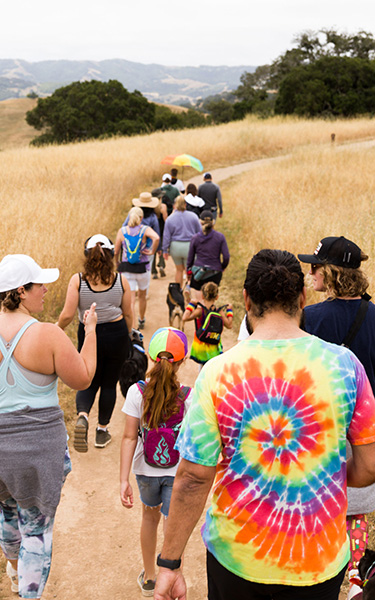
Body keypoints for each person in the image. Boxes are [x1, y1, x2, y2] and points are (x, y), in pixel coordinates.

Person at [154, 249, 375, 600]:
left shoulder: (218, 373)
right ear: (302, 298)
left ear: (245, 299)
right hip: (319, 561)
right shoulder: (346, 366)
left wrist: (170, 562)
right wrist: (319, 472)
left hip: (238, 560)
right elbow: (367, 467)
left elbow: (194, 478)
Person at [0, 254, 97, 599]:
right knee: (36, 529)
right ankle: (28, 590)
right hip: (38, 449)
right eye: (40, 284)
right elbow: (83, 379)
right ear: (22, 292)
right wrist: (91, 332)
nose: (45, 290)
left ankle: (12, 567)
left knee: (6, 508)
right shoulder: (48, 335)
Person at [298, 235, 375, 599]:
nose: (309, 273)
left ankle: (320, 571)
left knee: (319, 508)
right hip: (365, 433)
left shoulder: (309, 318)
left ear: (329, 273)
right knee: (357, 513)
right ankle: (357, 581)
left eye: (314, 267)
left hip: (318, 433)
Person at [120, 327, 192, 598]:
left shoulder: (137, 392)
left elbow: (129, 437)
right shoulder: (188, 396)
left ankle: (150, 576)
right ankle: (172, 575)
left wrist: (123, 479)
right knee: (173, 524)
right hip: (177, 472)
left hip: (145, 471)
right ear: (182, 361)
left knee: (149, 518)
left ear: (150, 357)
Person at [57, 234, 132, 451]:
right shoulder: (121, 280)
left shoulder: (77, 280)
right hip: (117, 334)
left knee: (87, 379)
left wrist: (54, 329)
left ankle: (82, 416)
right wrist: (128, 337)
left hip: (89, 333)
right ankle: (102, 431)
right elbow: (128, 314)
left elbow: (68, 315)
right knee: (109, 383)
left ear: (86, 255)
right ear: (111, 255)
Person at [114, 208, 159, 330]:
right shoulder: (145, 229)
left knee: (131, 300)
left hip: (127, 269)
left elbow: (116, 251)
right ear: (141, 218)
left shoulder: (122, 231)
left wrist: (117, 262)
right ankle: (142, 319)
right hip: (143, 268)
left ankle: (132, 328)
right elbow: (156, 238)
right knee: (142, 296)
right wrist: (152, 251)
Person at [182, 281, 233, 367]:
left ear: (202, 296)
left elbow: (185, 317)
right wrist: (229, 311)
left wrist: (191, 304)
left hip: (200, 348)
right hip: (214, 348)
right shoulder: (219, 312)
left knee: (202, 370)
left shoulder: (200, 311)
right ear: (217, 297)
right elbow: (229, 325)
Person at [186, 210, 230, 301]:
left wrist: (189, 272)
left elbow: (190, 259)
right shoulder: (220, 237)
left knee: (199, 302)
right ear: (213, 222)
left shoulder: (195, 238)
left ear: (200, 223)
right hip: (215, 272)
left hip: (198, 273)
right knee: (210, 301)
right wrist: (222, 267)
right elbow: (226, 256)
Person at [162, 196, 201, 287]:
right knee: (189, 270)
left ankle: (178, 292)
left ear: (175, 205)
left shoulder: (170, 219)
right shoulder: (193, 216)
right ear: (185, 204)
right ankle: (188, 288)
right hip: (189, 246)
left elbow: (166, 236)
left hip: (175, 247)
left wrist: (164, 250)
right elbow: (199, 233)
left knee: (179, 270)